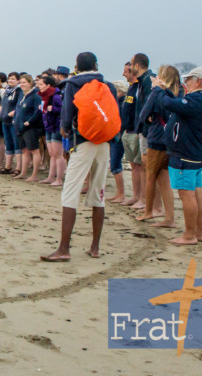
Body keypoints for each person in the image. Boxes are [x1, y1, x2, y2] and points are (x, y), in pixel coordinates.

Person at [42, 52, 117, 262]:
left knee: (70, 192)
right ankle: (95, 247)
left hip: (83, 141)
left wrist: (65, 129)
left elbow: (67, 112)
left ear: (77, 66)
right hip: (104, 141)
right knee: (98, 193)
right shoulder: (107, 85)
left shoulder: (72, 84)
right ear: (96, 65)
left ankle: (64, 248)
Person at [155, 66, 202, 245]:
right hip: (195, 152)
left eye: (188, 79)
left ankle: (189, 235)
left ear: (198, 81)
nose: (184, 83)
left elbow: (168, 104)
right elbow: (178, 105)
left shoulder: (198, 99)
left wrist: (158, 89)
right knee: (196, 193)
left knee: (186, 194)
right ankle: (200, 232)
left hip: (186, 154)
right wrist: (166, 91)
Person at [136, 65, 183, 226]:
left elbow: (143, 115)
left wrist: (155, 90)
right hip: (171, 140)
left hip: (157, 140)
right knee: (164, 179)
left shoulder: (158, 94)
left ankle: (148, 212)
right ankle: (170, 217)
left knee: (151, 177)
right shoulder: (178, 93)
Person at [116, 62, 144, 205]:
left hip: (136, 131)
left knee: (139, 166)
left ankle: (142, 198)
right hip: (127, 130)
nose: (123, 74)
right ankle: (135, 196)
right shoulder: (131, 88)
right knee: (133, 165)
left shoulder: (140, 87)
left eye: (126, 71)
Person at [131, 53, 155, 210]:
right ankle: (144, 201)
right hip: (142, 129)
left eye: (131, 64)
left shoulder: (148, 81)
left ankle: (147, 203)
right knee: (143, 166)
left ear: (137, 65)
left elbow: (149, 107)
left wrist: (144, 129)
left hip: (148, 131)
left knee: (148, 168)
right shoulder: (142, 81)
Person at [13, 74, 44, 181]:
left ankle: (34, 175)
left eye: (24, 82)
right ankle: (23, 172)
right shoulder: (21, 94)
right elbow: (17, 109)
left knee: (34, 150)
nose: (22, 84)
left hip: (31, 127)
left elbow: (38, 111)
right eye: (21, 82)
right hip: (19, 126)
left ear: (30, 83)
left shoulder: (36, 95)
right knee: (24, 151)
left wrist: (29, 122)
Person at [36, 74, 65, 187]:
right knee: (52, 154)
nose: (39, 87)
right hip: (48, 126)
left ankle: (59, 178)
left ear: (48, 85)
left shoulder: (56, 96)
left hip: (56, 126)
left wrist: (53, 109)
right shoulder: (44, 97)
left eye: (41, 85)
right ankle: (50, 176)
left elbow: (63, 109)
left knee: (58, 154)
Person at [0, 72, 22, 175]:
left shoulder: (19, 91)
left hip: (13, 121)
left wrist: (11, 114)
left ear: (18, 80)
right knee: (8, 144)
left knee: (17, 144)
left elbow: (19, 106)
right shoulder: (7, 91)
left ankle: (18, 168)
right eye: (9, 78)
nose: (10, 80)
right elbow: (3, 104)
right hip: (4, 121)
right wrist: (1, 113)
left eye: (13, 79)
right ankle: (8, 166)